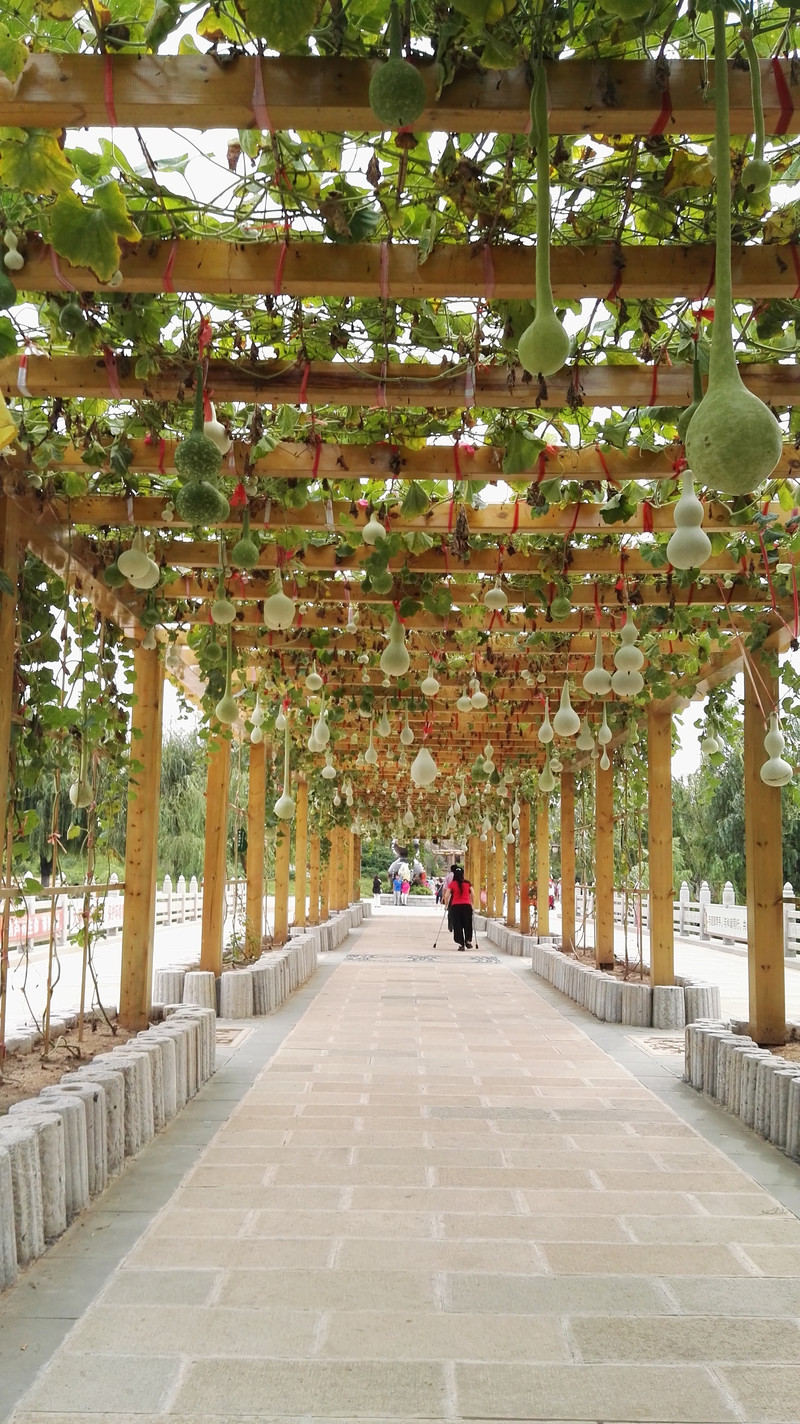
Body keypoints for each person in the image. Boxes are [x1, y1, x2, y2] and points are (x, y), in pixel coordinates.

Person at [445, 866, 474, 951]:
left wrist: (446, 905)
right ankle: (468, 941)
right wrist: (472, 904)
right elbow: (473, 894)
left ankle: (461, 944)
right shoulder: (468, 883)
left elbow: (447, 895)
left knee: (458, 925)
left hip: (456, 906)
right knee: (467, 924)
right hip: (466, 906)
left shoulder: (452, 884)